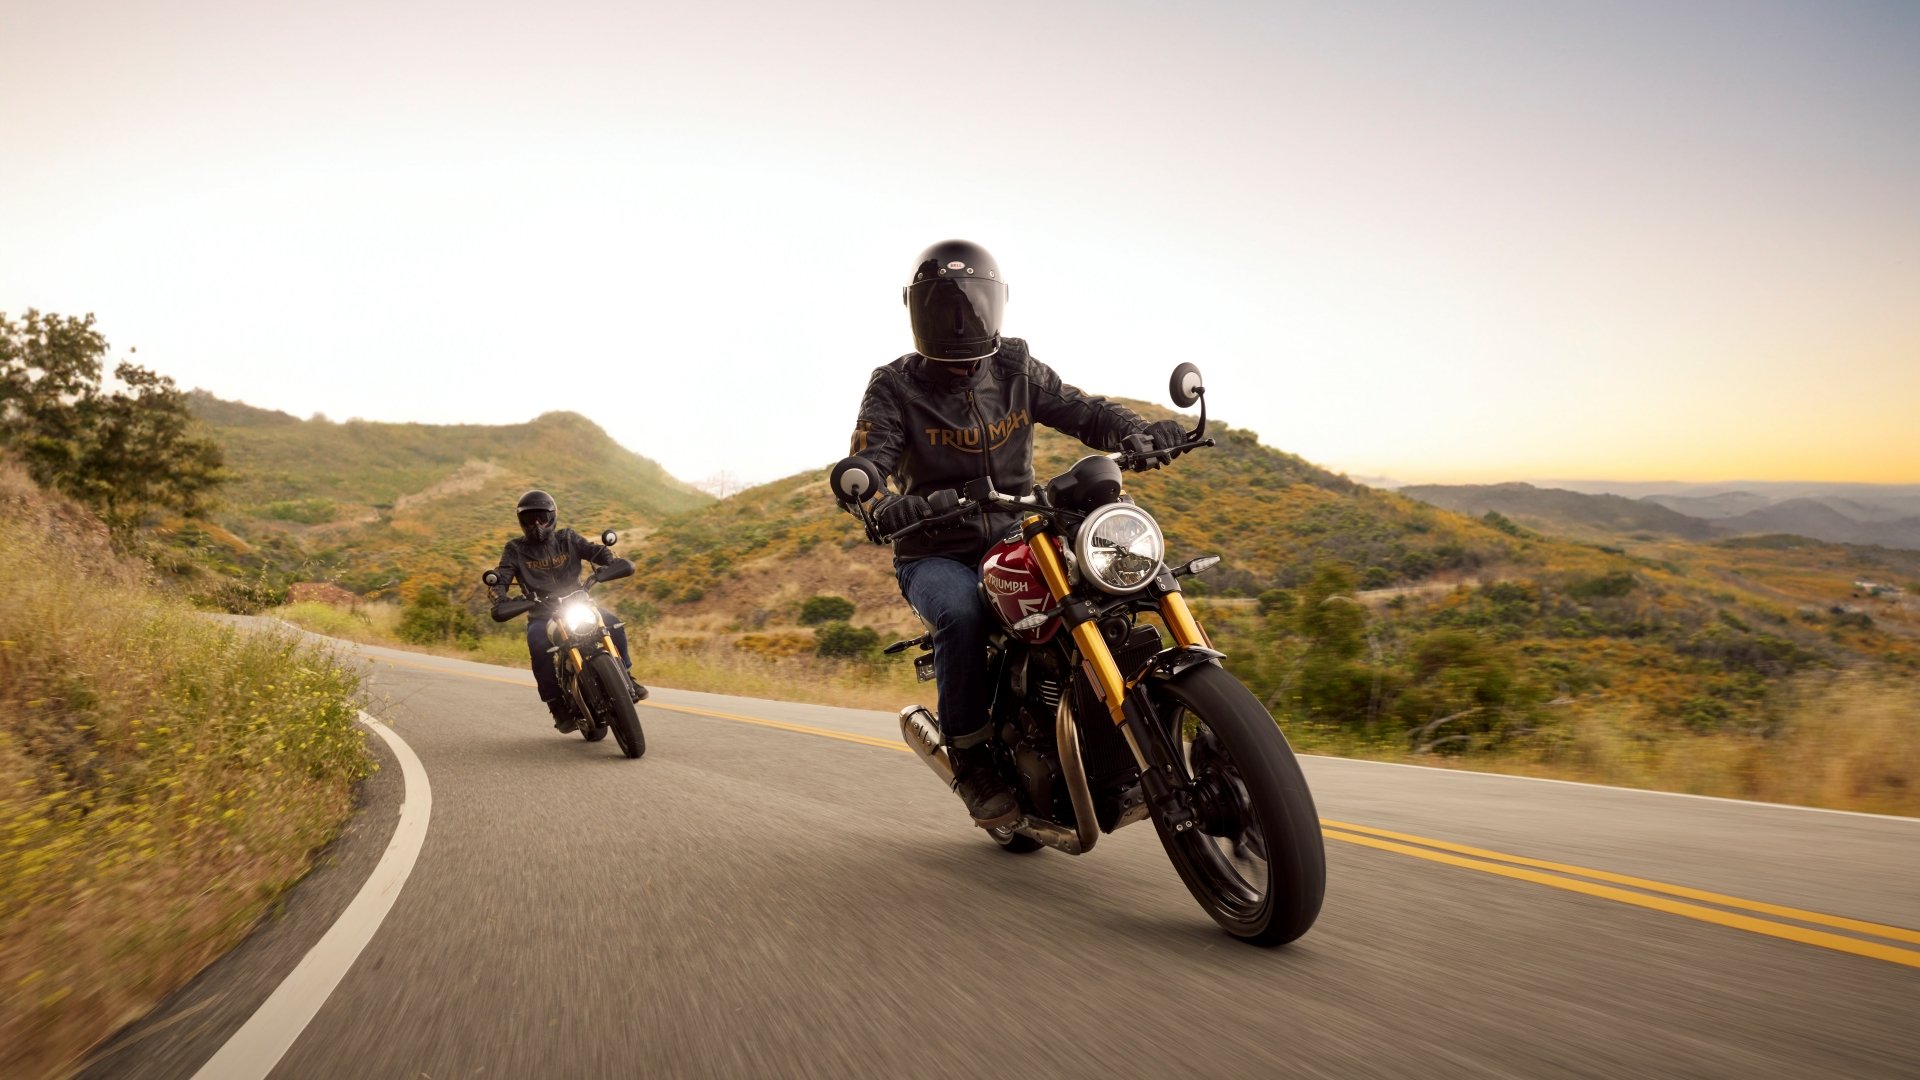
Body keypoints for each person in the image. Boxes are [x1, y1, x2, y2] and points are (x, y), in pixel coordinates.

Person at [842, 239, 1191, 827]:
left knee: (1111, 578)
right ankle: (973, 757)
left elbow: (1084, 410)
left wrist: (1135, 431)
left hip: (1018, 534)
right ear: (919, 314)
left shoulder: (1015, 366)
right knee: (960, 613)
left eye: (973, 303)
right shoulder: (895, 387)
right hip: (934, 549)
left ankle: (1128, 736)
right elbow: (869, 457)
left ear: (995, 304)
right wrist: (878, 500)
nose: (962, 320)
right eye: (947, 307)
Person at [488, 489, 647, 732]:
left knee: (613, 624)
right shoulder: (515, 549)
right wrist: (500, 596)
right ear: (522, 521)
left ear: (552, 516)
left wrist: (610, 560)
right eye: (530, 519)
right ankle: (556, 705)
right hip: (543, 613)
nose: (537, 524)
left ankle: (627, 675)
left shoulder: (568, 538)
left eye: (541, 517)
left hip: (578, 603)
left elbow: (595, 551)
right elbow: (502, 576)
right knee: (538, 647)